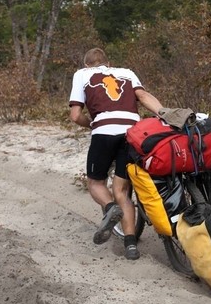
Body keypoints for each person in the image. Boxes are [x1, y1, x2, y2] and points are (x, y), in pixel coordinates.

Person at [69, 47, 163, 260]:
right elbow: (144, 96)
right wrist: (165, 114)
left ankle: (110, 208)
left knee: (96, 183)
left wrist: (93, 124)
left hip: (104, 133)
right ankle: (131, 244)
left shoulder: (82, 74)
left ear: (87, 65)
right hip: (132, 133)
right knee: (122, 190)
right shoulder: (127, 73)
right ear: (108, 64)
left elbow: (75, 115)